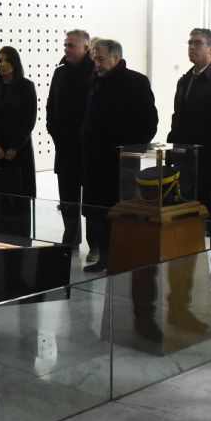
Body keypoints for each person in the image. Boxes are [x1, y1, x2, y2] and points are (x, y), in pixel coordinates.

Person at [80, 37, 158, 272]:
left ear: (116, 58)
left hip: (121, 161)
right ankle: (105, 256)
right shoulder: (95, 80)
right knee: (98, 212)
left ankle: (122, 257)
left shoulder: (135, 82)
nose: (97, 63)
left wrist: (132, 149)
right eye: (95, 58)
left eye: (101, 58)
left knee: (120, 212)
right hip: (95, 159)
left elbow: (149, 121)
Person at [167, 27, 211, 216]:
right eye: (190, 43)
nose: (192, 47)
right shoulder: (185, 81)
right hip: (184, 159)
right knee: (185, 211)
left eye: (197, 43)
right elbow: (177, 117)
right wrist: (172, 147)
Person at [0, 46, 38, 237]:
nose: (2, 64)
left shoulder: (26, 86)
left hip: (19, 151)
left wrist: (14, 146)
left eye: (6, 60)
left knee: (20, 197)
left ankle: (21, 238)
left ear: (14, 62)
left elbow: (29, 119)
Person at [46, 29, 95, 250]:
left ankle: (95, 244)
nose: (66, 49)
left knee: (92, 198)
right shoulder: (60, 73)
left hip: (87, 146)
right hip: (65, 146)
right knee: (67, 196)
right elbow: (50, 105)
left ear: (86, 48)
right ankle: (71, 237)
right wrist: (53, 129)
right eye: (65, 45)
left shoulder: (96, 72)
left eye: (71, 45)